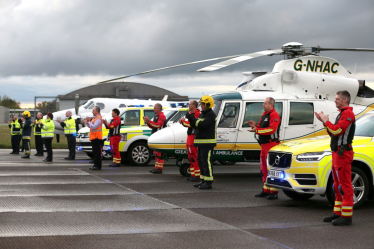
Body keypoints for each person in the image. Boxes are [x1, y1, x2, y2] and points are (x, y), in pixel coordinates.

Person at [316, 90, 355, 226]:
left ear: (345, 100)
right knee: (337, 185)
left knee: (345, 186)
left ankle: (346, 216)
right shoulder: (342, 114)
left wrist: (326, 121)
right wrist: (324, 122)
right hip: (337, 153)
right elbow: (333, 133)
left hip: (343, 154)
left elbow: (338, 131)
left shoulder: (348, 114)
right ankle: (338, 213)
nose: (335, 101)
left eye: (337, 99)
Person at [247, 97, 281, 200]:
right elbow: (261, 127)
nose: (263, 105)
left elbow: (271, 129)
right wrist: (255, 126)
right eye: (263, 103)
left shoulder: (274, 115)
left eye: (265, 103)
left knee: (272, 169)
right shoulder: (264, 115)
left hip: (271, 145)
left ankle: (274, 192)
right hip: (264, 145)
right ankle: (266, 190)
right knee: (264, 169)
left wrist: (257, 130)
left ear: (271, 105)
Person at [185, 95, 217, 190]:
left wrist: (193, 119)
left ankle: (208, 182)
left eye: (203, 104)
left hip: (207, 143)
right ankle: (203, 180)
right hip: (201, 142)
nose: (201, 105)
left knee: (206, 162)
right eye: (201, 104)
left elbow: (203, 125)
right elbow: (195, 125)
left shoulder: (211, 114)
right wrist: (191, 119)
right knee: (201, 161)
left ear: (208, 104)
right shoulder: (203, 114)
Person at [179, 100, 201, 182]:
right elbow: (188, 124)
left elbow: (192, 125)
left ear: (194, 105)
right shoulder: (192, 114)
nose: (189, 105)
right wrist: (183, 122)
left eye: (190, 104)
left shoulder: (197, 114)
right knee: (190, 157)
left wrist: (183, 122)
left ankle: (197, 175)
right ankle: (193, 174)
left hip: (193, 137)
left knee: (194, 157)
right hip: (189, 137)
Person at [144, 103, 166, 174]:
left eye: (155, 108)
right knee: (155, 153)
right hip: (155, 136)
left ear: (159, 108)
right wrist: (147, 122)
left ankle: (159, 168)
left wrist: (149, 121)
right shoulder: (156, 116)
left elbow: (158, 125)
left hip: (160, 136)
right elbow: (153, 126)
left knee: (159, 153)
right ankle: (157, 167)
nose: (154, 109)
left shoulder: (162, 116)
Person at [83, 106, 103, 170]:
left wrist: (88, 122)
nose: (92, 112)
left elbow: (94, 127)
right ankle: (95, 164)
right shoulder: (95, 118)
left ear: (97, 111)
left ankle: (98, 166)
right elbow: (90, 126)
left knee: (97, 153)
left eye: (93, 111)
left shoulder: (98, 119)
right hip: (94, 137)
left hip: (97, 138)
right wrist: (87, 122)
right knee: (95, 152)